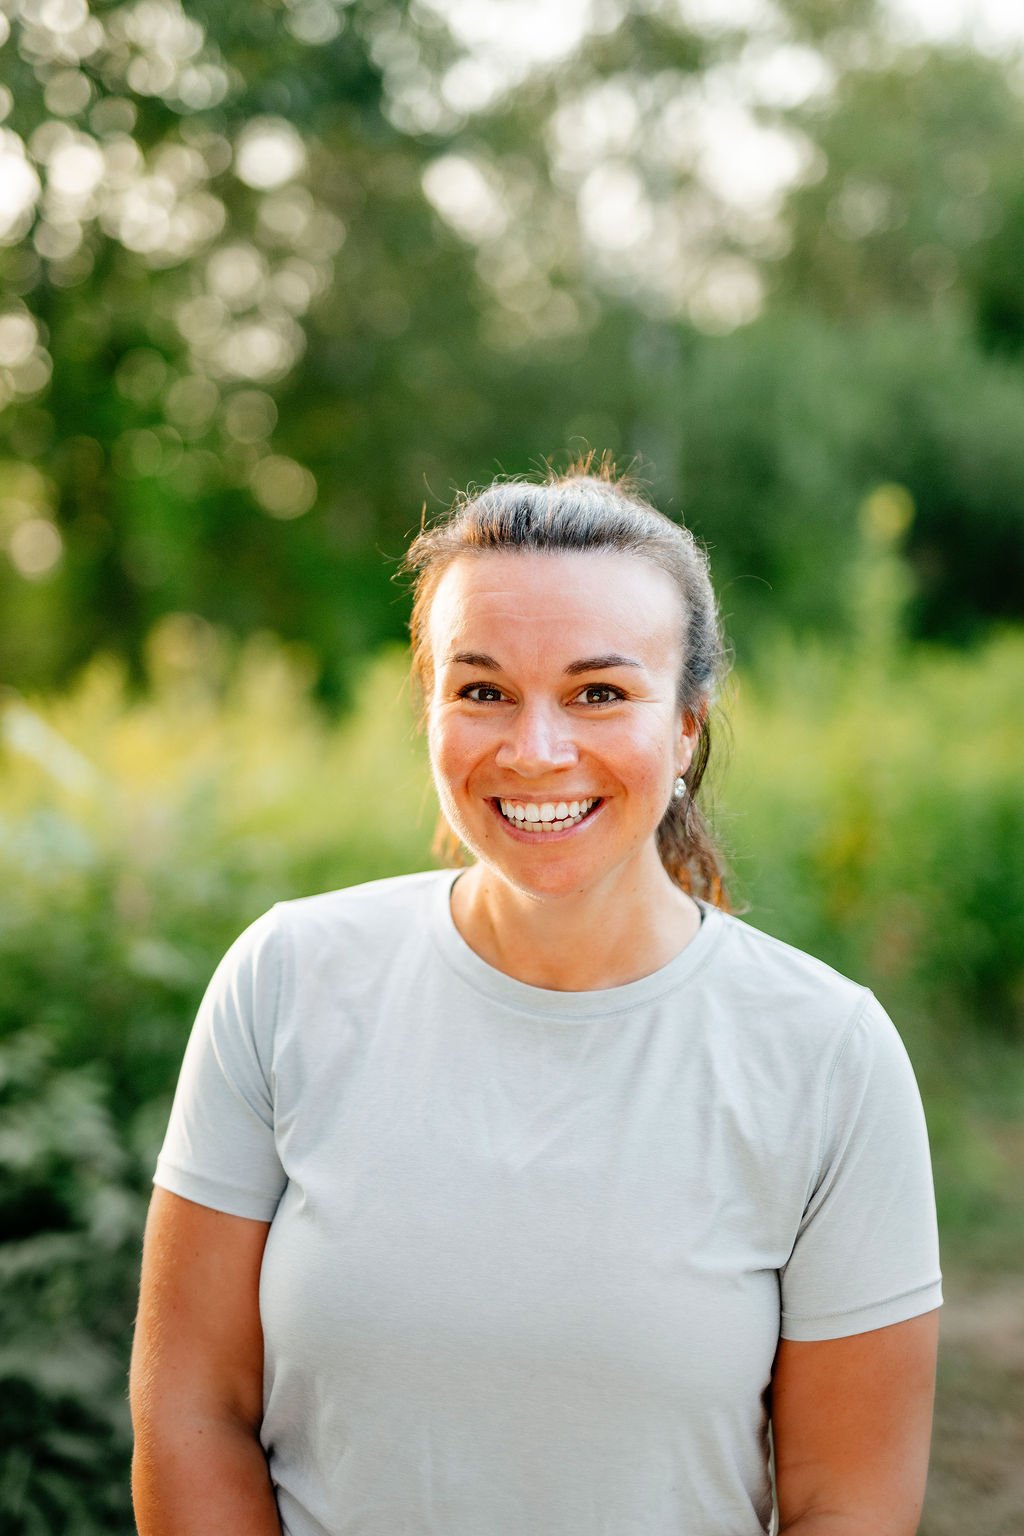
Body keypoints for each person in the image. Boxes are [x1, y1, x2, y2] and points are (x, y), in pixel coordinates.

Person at [130, 457, 942, 1536]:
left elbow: (848, 1503)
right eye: (483, 692)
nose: (536, 749)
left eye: (598, 693)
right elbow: (192, 1412)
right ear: (430, 711)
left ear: (688, 723)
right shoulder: (284, 981)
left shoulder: (828, 1054)